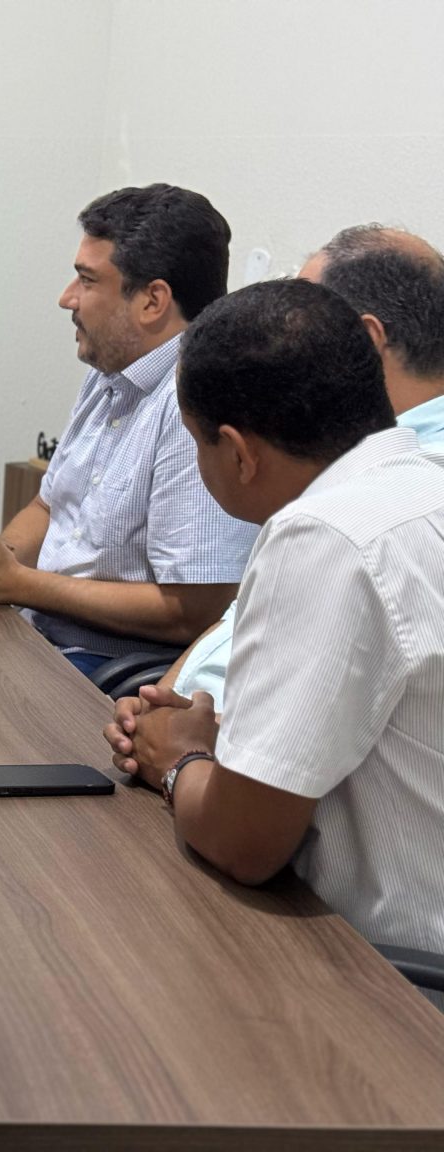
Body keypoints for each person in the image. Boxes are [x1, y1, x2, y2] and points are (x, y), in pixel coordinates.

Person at [103, 279, 444, 972]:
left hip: (387, 982)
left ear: (238, 452)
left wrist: (178, 761)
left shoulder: (323, 535)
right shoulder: (419, 487)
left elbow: (244, 845)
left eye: (196, 444)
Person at [0, 185, 258, 674]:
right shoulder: (108, 373)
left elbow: (192, 610)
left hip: (111, 668)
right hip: (40, 631)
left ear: (153, 301)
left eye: (87, 280)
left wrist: (15, 583)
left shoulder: (195, 403)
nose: (67, 298)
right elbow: (47, 506)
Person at [146, 225, 444, 704]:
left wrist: (185, 741)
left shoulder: (372, 499)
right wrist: (164, 706)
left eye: (303, 313)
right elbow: (236, 625)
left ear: (364, 341)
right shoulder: (337, 457)